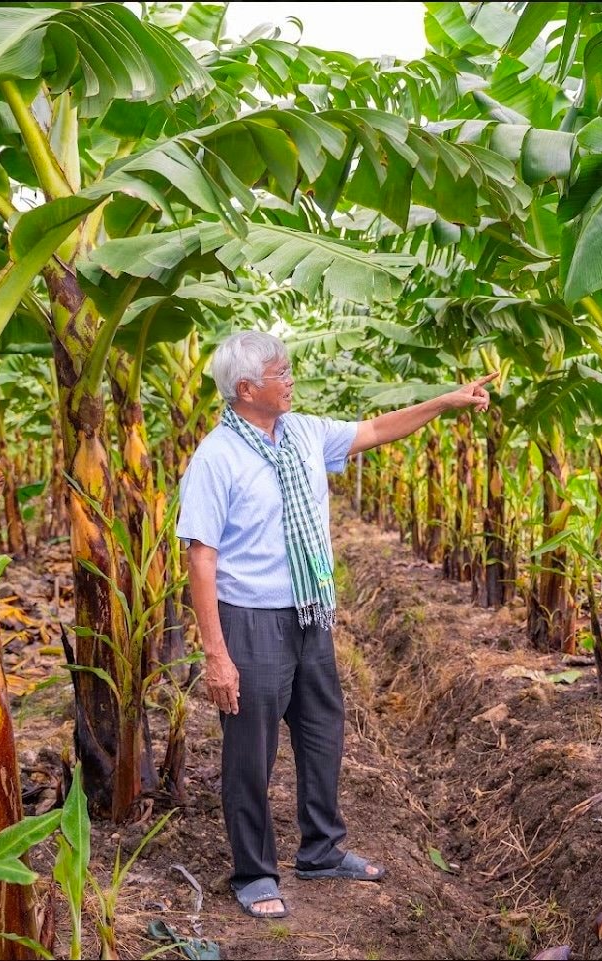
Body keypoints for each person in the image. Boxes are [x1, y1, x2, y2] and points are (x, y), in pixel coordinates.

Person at [177, 331, 494, 920]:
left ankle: (321, 850)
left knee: (322, 732)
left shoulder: (302, 433)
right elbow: (201, 555)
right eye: (281, 372)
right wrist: (216, 653)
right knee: (252, 751)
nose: (291, 378)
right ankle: (254, 873)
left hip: (309, 613)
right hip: (252, 619)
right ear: (247, 389)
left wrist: (444, 403)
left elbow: (373, 430)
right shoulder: (217, 458)